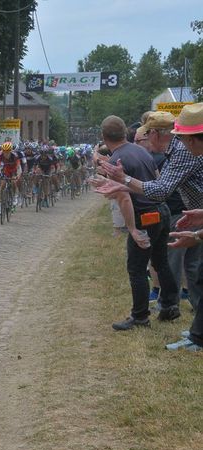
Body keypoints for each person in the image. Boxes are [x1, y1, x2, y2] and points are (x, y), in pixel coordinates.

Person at [93, 115, 180, 330]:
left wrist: (132, 228)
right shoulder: (141, 150)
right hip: (162, 210)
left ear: (104, 137)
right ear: (125, 132)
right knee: (161, 262)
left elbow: (123, 198)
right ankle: (170, 306)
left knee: (137, 268)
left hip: (145, 215)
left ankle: (140, 316)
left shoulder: (116, 162)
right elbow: (159, 179)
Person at [153, 102, 203, 352]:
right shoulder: (189, 151)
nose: (185, 145)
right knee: (198, 272)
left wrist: (125, 181)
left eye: (186, 139)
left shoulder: (184, 154)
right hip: (197, 218)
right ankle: (198, 333)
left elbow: (161, 189)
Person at [0, 141, 21, 215]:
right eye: (4, 151)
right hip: (5, 170)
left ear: (10, 151)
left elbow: (18, 167)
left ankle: (14, 196)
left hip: (13, 170)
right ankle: (1, 205)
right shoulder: (0, 155)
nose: (6, 153)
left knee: (13, 182)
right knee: (2, 185)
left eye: (7, 152)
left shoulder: (14, 155)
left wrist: (18, 175)